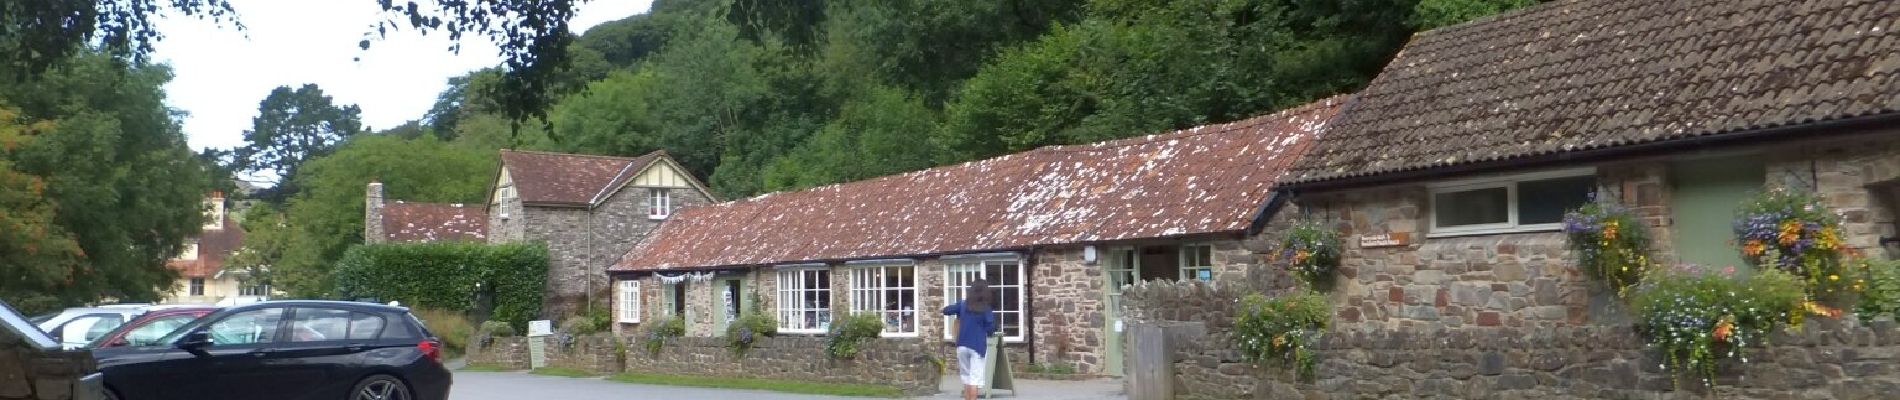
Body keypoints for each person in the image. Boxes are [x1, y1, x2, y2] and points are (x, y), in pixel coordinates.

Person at [942, 279, 998, 400]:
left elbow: (946, 310)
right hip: (977, 347)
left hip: (961, 345)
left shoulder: (962, 304)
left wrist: (959, 313)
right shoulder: (986, 308)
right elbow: (991, 328)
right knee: (975, 380)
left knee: (966, 377)